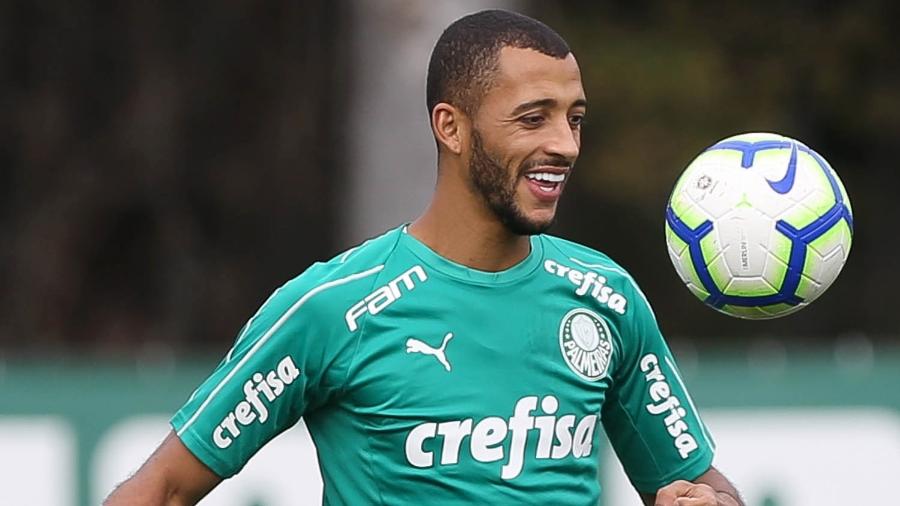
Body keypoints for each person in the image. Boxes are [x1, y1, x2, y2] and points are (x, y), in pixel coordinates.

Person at [105, 9, 743, 506]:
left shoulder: (606, 297)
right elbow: (159, 490)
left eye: (574, 118)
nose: (565, 145)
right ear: (451, 126)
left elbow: (700, 483)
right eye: (533, 119)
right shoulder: (333, 308)